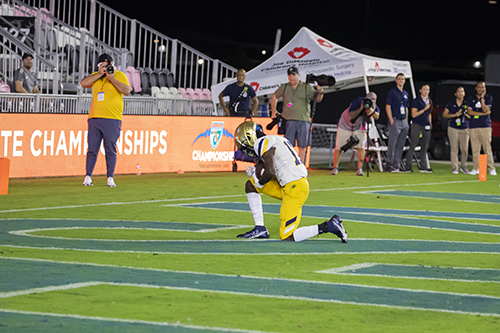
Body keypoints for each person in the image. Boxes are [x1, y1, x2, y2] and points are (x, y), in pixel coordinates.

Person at [234, 121, 347, 242]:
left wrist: (260, 182)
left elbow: (270, 171)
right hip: (292, 184)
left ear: (249, 137)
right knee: (250, 185)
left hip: (294, 188)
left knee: (287, 235)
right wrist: (256, 175)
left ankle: (329, 226)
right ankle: (260, 228)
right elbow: (269, 167)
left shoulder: (261, 142)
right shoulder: (277, 139)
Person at [80, 53, 132, 187]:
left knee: (110, 148)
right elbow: (84, 83)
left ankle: (110, 177)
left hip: (112, 118)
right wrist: (99, 74)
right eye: (103, 66)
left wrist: (112, 78)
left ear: (112, 64)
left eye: (108, 65)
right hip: (95, 117)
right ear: (99, 66)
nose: (106, 68)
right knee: (92, 148)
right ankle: (88, 176)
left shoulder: (119, 75)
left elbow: (127, 90)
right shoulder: (95, 76)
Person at [270, 66, 324, 162]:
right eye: (289, 75)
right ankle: (289, 165)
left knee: (302, 146)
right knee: (288, 146)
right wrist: (273, 111)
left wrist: (320, 90)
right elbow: (274, 96)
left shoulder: (306, 86)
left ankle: (301, 166)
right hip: (288, 120)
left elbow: (318, 100)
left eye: (293, 75)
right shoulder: (285, 87)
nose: (291, 77)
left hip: (303, 120)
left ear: (298, 75)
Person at [331, 92, 380, 176]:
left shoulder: (374, 106)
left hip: (358, 126)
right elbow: (351, 116)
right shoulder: (358, 101)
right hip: (345, 124)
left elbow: (377, 116)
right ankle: (335, 167)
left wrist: (372, 112)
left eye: (373, 99)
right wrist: (361, 108)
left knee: (361, 146)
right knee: (339, 146)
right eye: (369, 98)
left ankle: (359, 169)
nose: (370, 100)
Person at [467, 81, 496, 176]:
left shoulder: (489, 98)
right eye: (479, 87)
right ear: (476, 88)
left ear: (485, 88)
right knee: (475, 149)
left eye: (482, 87)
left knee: (487, 148)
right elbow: (470, 112)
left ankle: (491, 168)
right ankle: (476, 168)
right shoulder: (471, 98)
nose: (480, 89)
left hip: (485, 126)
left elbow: (485, 109)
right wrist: (482, 114)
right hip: (473, 126)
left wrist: (482, 98)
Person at [405, 84, 433, 173]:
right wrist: (424, 109)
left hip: (426, 125)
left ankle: (423, 166)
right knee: (413, 144)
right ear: (420, 90)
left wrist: (430, 122)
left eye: (428, 90)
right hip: (417, 124)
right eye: (424, 89)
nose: (426, 91)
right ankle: (408, 166)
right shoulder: (416, 101)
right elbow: (413, 114)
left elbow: (430, 113)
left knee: (424, 146)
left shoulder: (429, 101)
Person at [385, 73, 410, 172]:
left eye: (402, 79)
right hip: (395, 120)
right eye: (399, 79)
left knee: (401, 144)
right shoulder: (392, 92)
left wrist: (406, 120)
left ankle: (397, 165)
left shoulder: (405, 93)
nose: (401, 81)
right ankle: (389, 164)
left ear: (404, 81)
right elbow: (388, 106)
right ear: (396, 80)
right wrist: (391, 120)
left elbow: (406, 108)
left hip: (403, 121)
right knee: (392, 144)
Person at [442, 87, 470, 174]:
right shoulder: (451, 103)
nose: (460, 93)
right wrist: (455, 114)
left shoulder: (467, 104)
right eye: (458, 91)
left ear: (464, 93)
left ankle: (464, 166)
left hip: (464, 128)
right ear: (455, 94)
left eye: (462, 91)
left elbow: (471, 117)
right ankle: (455, 167)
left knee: (464, 148)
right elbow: (444, 115)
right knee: (454, 148)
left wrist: (465, 114)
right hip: (453, 128)